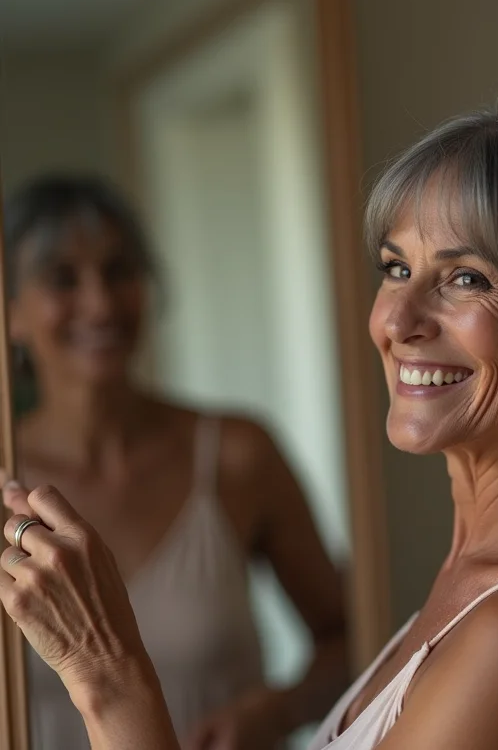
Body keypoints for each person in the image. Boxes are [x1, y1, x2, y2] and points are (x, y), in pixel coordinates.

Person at [0, 98, 498, 749]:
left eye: (465, 278)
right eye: (396, 267)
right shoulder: (482, 579)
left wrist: (105, 672)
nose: (395, 319)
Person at [0, 175, 348, 749]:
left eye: (119, 271)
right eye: (63, 278)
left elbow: (351, 635)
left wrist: (278, 711)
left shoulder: (237, 455)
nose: (100, 302)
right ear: (12, 314)